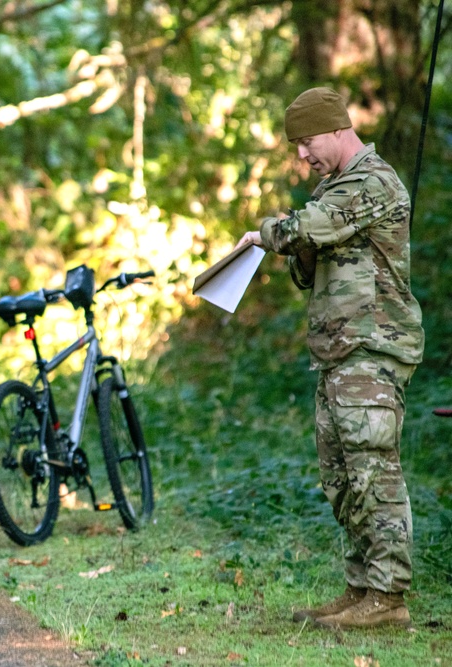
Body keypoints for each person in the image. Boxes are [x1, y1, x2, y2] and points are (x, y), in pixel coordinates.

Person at [236, 87, 424, 629]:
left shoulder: (372, 181)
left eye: (307, 141)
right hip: (339, 351)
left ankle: (388, 598)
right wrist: (296, 243)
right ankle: (360, 587)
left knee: (373, 471)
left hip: (373, 347)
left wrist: (267, 233)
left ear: (338, 129)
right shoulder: (333, 188)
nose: (302, 155)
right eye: (296, 145)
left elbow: (306, 229)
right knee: (342, 479)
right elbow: (311, 264)